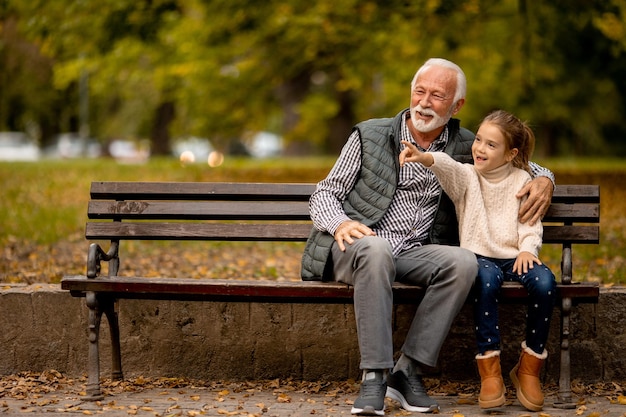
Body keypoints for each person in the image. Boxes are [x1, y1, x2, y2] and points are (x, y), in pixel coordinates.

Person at [301, 58, 555, 416]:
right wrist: (341, 224)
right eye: (419, 91)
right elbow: (324, 193)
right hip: (358, 247)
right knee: (376, 249)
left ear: (457, 106)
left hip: (415, 253)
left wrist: (546, 179)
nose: (424, 102)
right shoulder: (369, 134)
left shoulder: (468, 144)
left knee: (464, 261)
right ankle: (374, 375)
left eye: (437, 96)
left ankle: (407, 373)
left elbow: (519, 160)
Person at [399, 109, 557, 412]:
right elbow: (447, 165)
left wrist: (528, 250)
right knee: (485, 282)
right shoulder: (467, 176)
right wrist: (425, 157)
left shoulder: (523, 179)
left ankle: (528, 368)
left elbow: (530, 222)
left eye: (490, 145)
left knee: (545, 282)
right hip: (478, 257)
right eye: (479, 140)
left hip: (515, 256)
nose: (479, 148)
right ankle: (490, 369)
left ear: (511, 154)